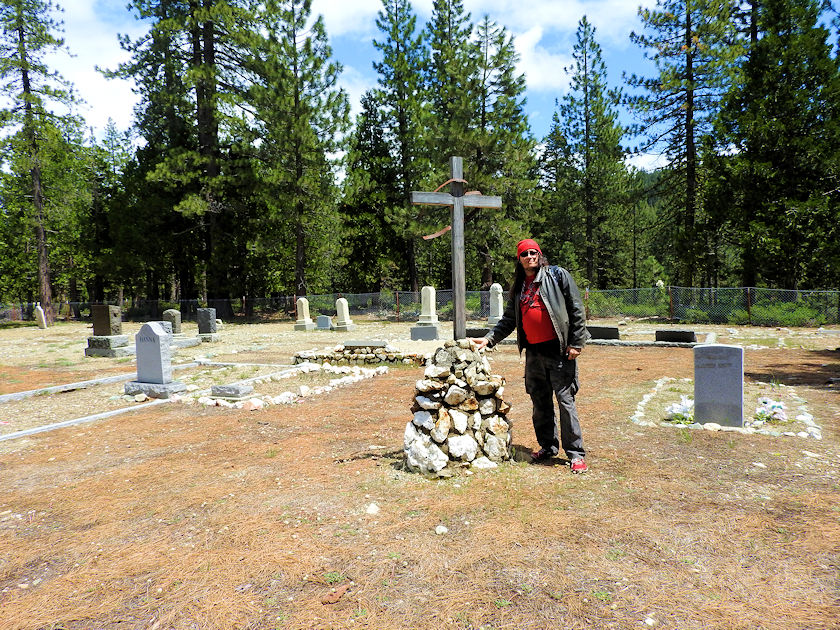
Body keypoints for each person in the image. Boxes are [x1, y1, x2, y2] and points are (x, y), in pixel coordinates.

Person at [470, 239, 590, 473]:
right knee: (539, 402)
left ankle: (576, 454)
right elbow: (509, 320)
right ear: (519, 259)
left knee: (565, 402)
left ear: (539, 254)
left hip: (558, 350)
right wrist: (489, 339)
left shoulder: (557, 276)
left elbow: (576, 308)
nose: (529, 256)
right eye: (524, 254)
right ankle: (548, 446)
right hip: (533, 352)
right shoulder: (519, 286)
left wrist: (576, 343)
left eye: (533, 252)